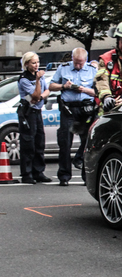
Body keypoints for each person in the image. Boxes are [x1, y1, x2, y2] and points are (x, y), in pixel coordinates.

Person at [49, 48, 97, 186]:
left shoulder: (92, 70)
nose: (78, 66)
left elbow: (98, 92)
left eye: (81, 63)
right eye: (76, 63)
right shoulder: (63, 68)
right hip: (68, 109)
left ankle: (85, 176)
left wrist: (84, 89)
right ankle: (64, 176)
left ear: (86, 60)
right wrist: (64, 86)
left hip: (85, 109)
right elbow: (51, 86)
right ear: (72, 58)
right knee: (64, 142)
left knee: (87, 143)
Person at [17, 52, 51, 184]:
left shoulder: (40, 76)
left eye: (37, 62)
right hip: (28, 112)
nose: (37, 65)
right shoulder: (24, 79)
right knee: (28, 143)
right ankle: (27, 173)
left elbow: (46, 91)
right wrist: (37, 81)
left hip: (37, 111)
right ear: (26, 64)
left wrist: (41, 96)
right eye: (33, 63)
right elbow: (35, 96)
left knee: (39, 142)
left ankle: (38, 172)